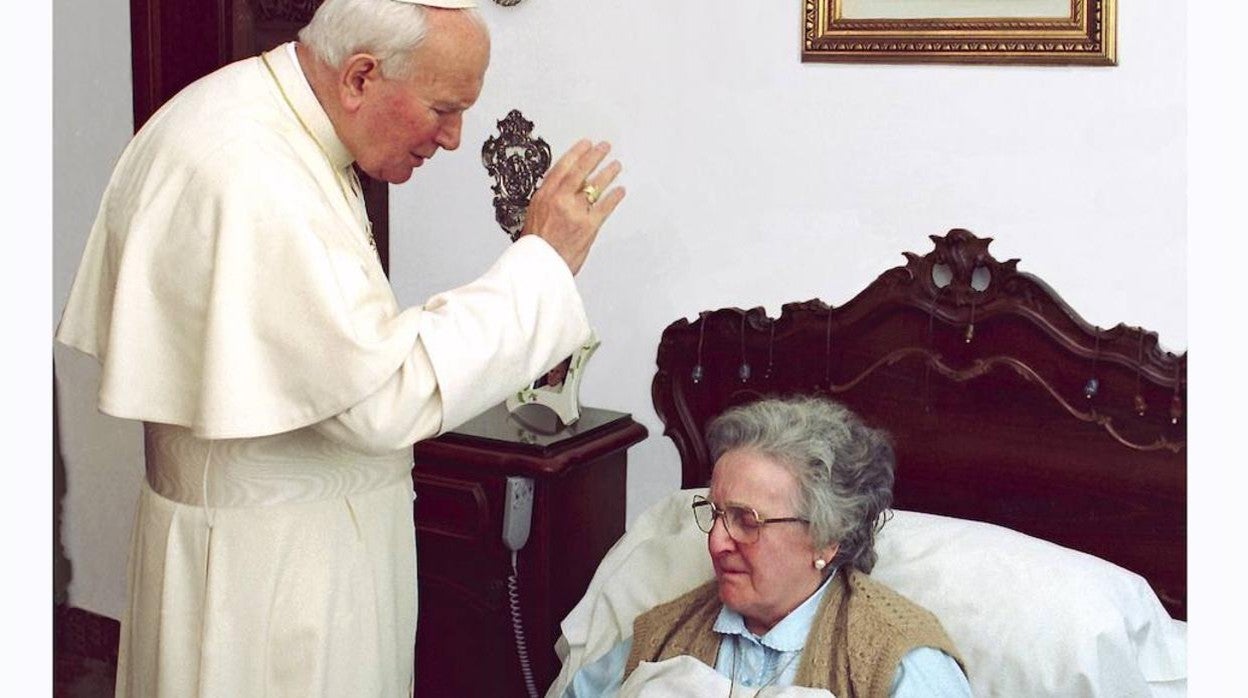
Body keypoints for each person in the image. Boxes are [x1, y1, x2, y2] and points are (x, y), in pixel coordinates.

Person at [55, 0, 624, 695]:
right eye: (443, 108)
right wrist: (541, 264)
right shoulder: (256, 174)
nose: (453, 138)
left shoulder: (251, 116)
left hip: (276, 551)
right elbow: (381, 396)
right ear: (359, 76)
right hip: (271, 583)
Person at [565, 396, 972, 698]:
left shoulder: (895, 659)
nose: (717, 541)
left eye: (747, 520)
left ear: (826, 538)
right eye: (716, 513)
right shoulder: (663, 636)